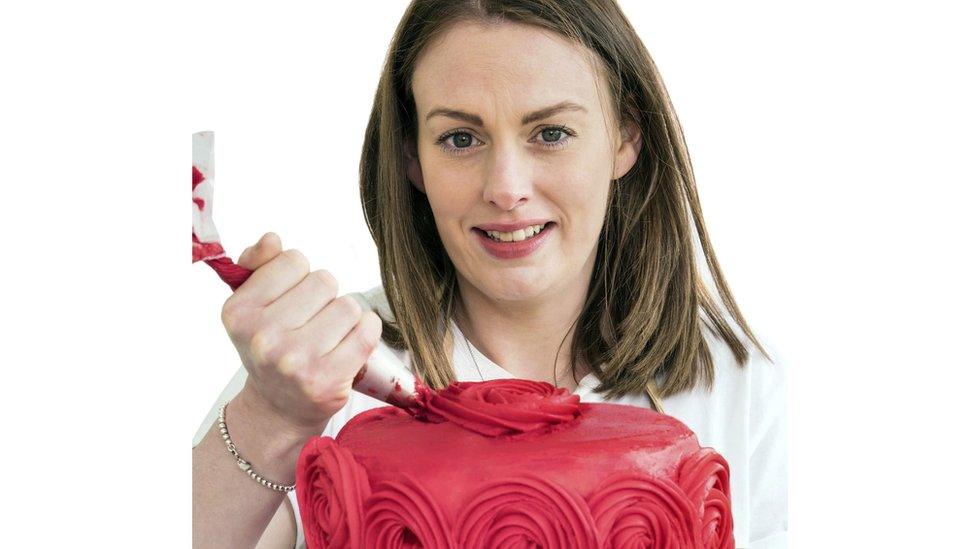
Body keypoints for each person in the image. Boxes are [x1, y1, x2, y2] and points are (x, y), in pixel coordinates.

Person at [192, 1, 788, 547]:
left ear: (625, 138)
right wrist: (268, 420)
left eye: (551, 133)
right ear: (411, 157)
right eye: (460, 138)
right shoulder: (317, 376)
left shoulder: (744, 389)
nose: (506, 189)